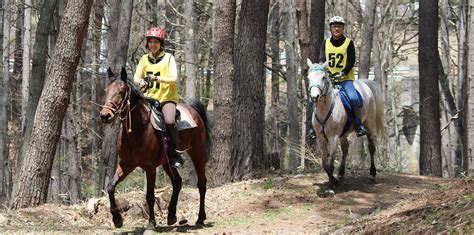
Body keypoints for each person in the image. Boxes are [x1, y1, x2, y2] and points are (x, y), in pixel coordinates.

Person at [133, 26, 184, 168]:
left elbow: (173, 78)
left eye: (156, 42)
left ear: (161, 43)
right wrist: (141, 81)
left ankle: (175, 155)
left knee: (169, 121)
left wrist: (157, 79)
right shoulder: (144, 59)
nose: (152, 45)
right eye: (150, 42)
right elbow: (136, 77)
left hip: (167, 98)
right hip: (149, 99)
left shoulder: (169, 58)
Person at [318, 16, 367, 137]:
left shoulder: (348, 43)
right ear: (330, 28)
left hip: (345, 80)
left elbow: (351, 61)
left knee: (354, 98)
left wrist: (343, 72)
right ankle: (314, 127)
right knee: (313, 98)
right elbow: (322, 60)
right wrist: (325, 73)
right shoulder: (326, 43)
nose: (336, 28)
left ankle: (358, 124)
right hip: (329, 80)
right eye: (334, 26)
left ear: (343, 28)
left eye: (339, 26)